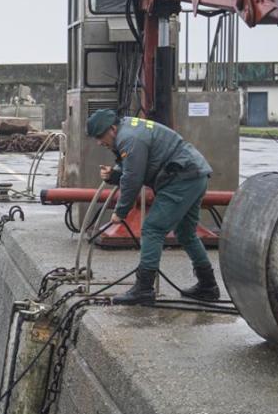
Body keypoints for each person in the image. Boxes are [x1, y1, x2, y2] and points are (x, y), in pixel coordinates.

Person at [86, 109, 220, 305]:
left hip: (181, 179)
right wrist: (115, 174)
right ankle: (208, 286)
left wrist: (120, 212)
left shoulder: (129, 138)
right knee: (186, 233)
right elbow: (135, 164)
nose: (99, 142)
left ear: (112, 129)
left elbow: (133, 178)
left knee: (152, 228)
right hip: (194, 175)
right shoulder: (128, 128)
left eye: (100, 136)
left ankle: (144, 289)